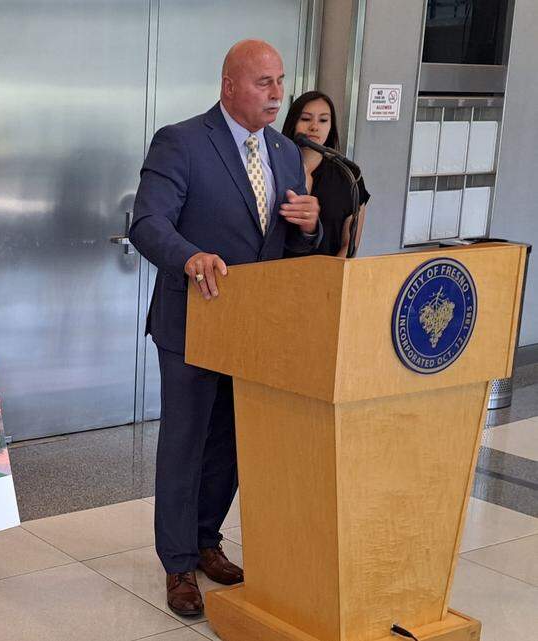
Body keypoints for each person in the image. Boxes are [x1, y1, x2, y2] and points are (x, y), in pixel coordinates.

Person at [128, 39, 321, 617]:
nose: (277, 94)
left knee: (232, 446)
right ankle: (179, 563)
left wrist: (309, 225)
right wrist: (188, 256)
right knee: (186, 443)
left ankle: (207, 539)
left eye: (280, 82)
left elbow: (286, 242)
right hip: (192, 322)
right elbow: (147, 221)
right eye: (264, 82)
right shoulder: (182, 141)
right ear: (229, 85)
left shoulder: (287, 152)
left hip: (255, 331)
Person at [282, 91, 370, 257]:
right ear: (292, 122)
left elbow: (349, 246)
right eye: (306, 119)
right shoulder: (273, 167)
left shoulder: (348, 175)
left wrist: (330, 280)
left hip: (329, 278)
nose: (314, 127)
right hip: (273, 274)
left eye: (323, 120)